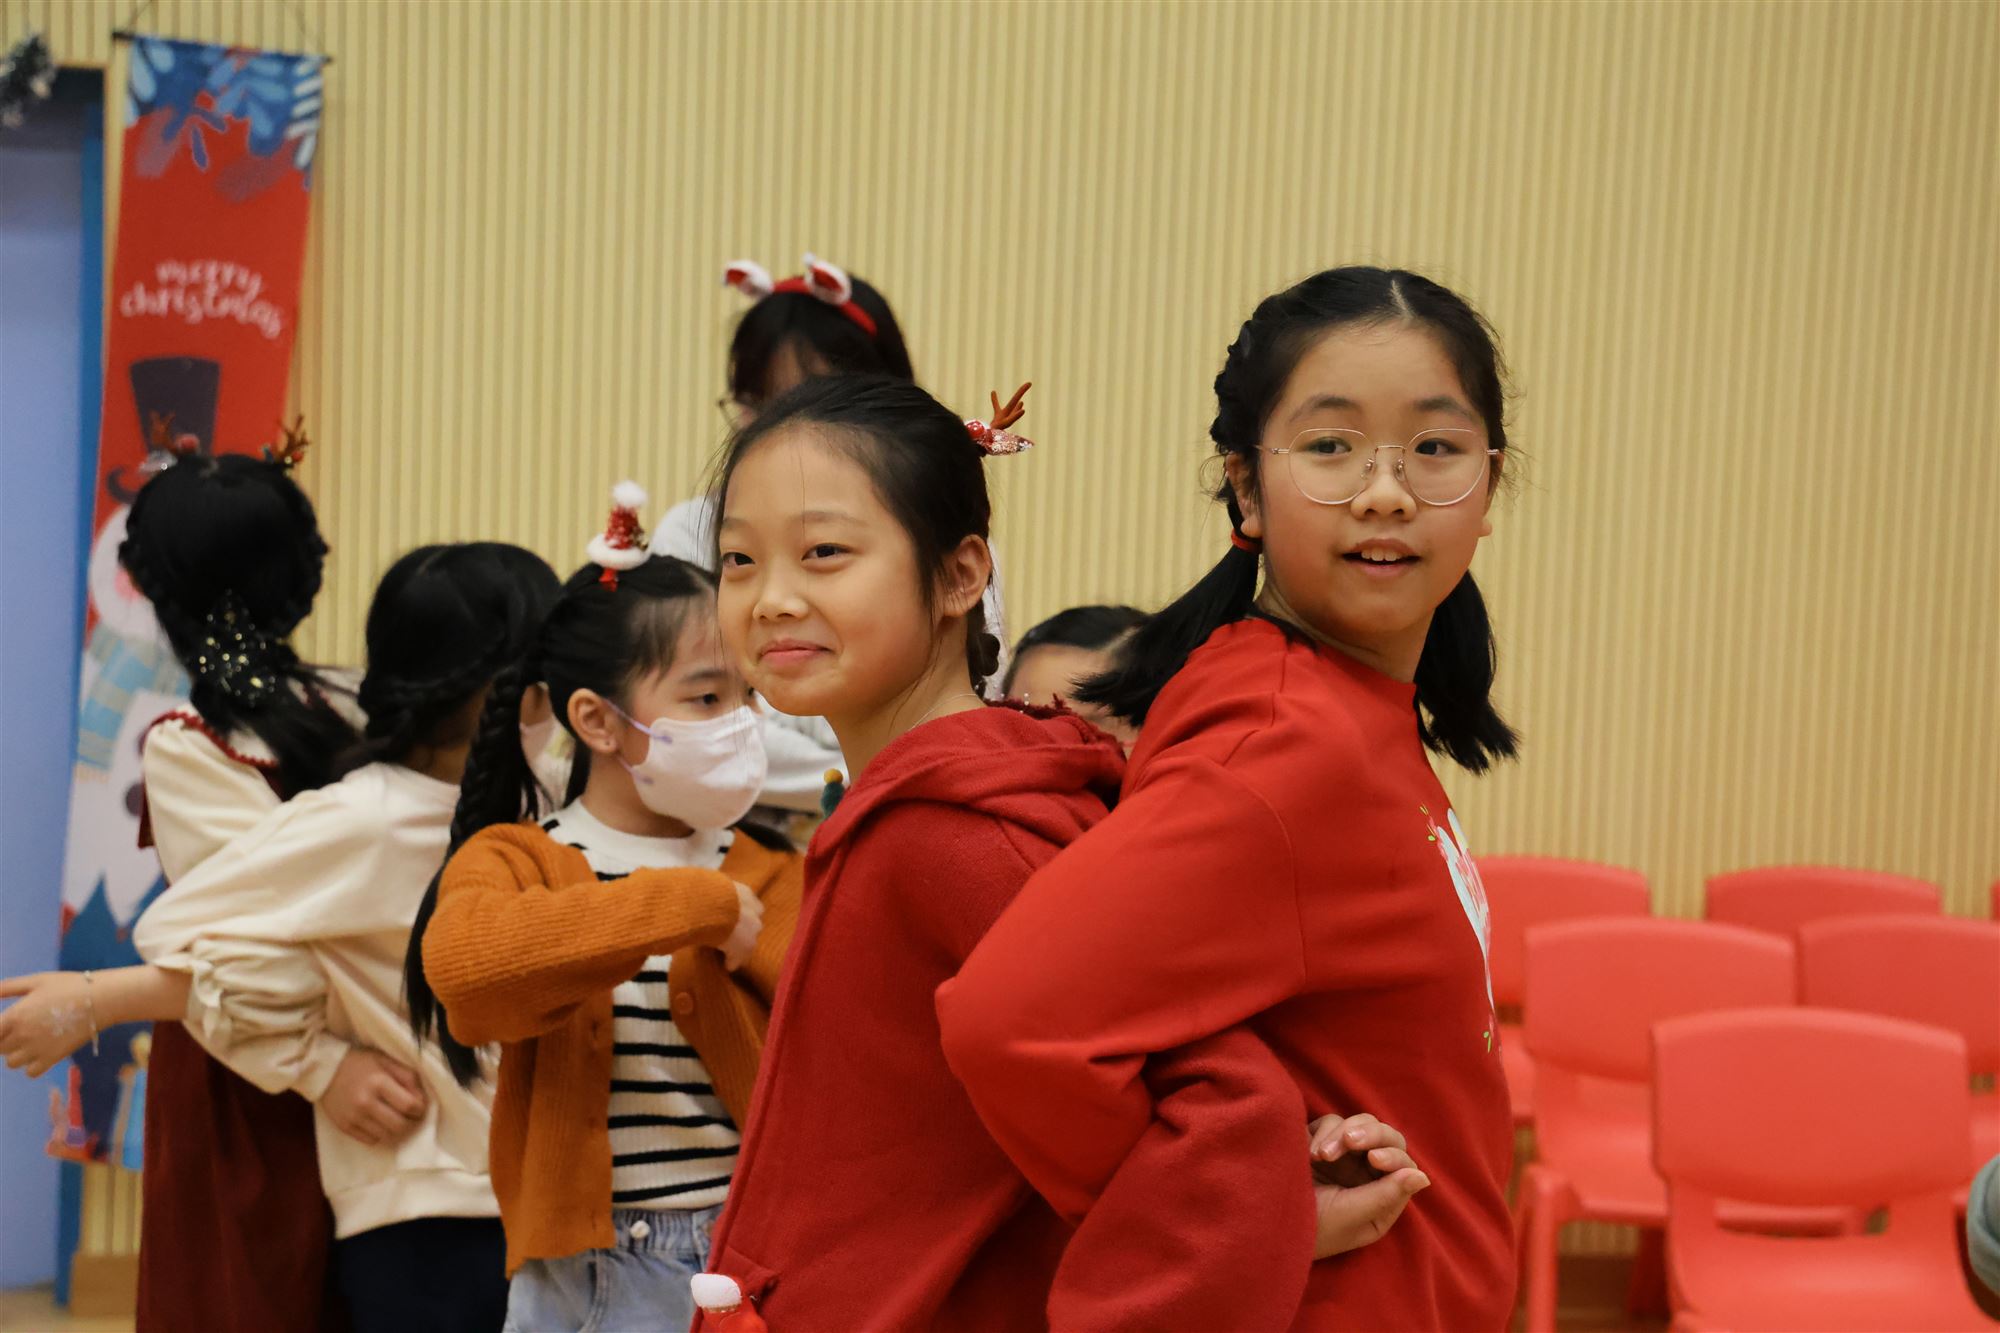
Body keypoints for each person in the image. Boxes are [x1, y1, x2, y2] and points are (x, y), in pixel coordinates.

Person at [699, 374, 1425, 1331]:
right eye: (739, 560)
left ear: (961, 574)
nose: (771, 598)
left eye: (824, 552)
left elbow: (1214, 1093)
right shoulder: (939, 798)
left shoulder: (959, 833)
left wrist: (1263, 1217)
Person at [939, 266, 1523, 1330]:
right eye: (1331, 445)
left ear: (1489, 485)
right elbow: (1009, 1024)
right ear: (1246, 489)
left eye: (1434, 447)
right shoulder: (1289, 743)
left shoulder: (1334, 703)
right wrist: (1236, 1213)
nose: (1386, 490)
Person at [411, 495, 803, 1333]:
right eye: (707, 698)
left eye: (748, 696)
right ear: (596, 719)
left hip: (748, 1264)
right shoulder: (519, 859)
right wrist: (688, 905)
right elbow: (470, 977)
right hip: (584, 1278)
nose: (740, 724)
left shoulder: (769, 868)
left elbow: (828, 1017)